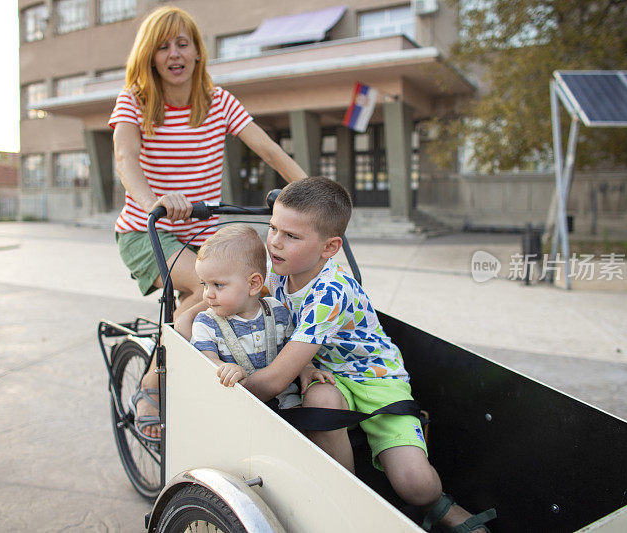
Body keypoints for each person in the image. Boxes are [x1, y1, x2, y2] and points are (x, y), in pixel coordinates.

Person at [234, 177, 496, 533]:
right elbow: (270, 316)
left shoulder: (331, 291)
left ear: (330, 248)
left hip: (376, 379)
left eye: (291, 236)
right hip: (330, 377)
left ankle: (440, 504)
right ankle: (350, 497)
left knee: (417, 484)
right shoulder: (282, 272)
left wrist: (226, 393)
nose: (275, 243)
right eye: (273, 228)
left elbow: (277, 379)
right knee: (321, 398)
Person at [109, 6, 306, 440]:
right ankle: (152, 384)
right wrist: (154, 202)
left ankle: (235, 372)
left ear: (198, 53)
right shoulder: (136, 100)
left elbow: (269, 150)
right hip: (147, 228)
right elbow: (125, 160)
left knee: (258, 287)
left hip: (203, 232)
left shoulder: (218, 102)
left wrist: (316, 195)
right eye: (163, 46)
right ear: (150, 56)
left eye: (183, 44)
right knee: (207, 290)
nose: (174, 53)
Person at [188, 224, 333, 409]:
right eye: (204, 284)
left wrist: (307, 369)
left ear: (254, 284)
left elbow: (292, 350)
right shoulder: (207, 323)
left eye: (218, 285)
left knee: (301, 431)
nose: (208, 294)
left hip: (286, 402)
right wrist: (221, 367)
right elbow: (204, 360)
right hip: (236, 405)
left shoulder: (277, 311)